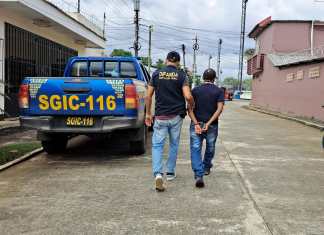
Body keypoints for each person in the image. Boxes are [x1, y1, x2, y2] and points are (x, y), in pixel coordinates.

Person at [145, 51, 194, 192]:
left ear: (166, 60)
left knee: (157, 145)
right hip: (176, 116)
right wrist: (191, 104)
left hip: (160, 116)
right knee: (173, 144)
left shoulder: (156, 73)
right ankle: (171, 172)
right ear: (178, 62)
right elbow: (188, 95)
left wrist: (148, 113)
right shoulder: (182, 75)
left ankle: (158, 174)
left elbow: (148, 96)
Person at [188, 68, 224, 188]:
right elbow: (219, 109)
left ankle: (199, 175)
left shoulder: (195, 90)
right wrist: (208, 123)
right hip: (212, 126)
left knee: (195, 149)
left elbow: (189, 109)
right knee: (210, 147)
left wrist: (196, 124)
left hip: (196, 124)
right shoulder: (218, 91)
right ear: (214, 79)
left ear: (203, 78)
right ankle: (206, 167)